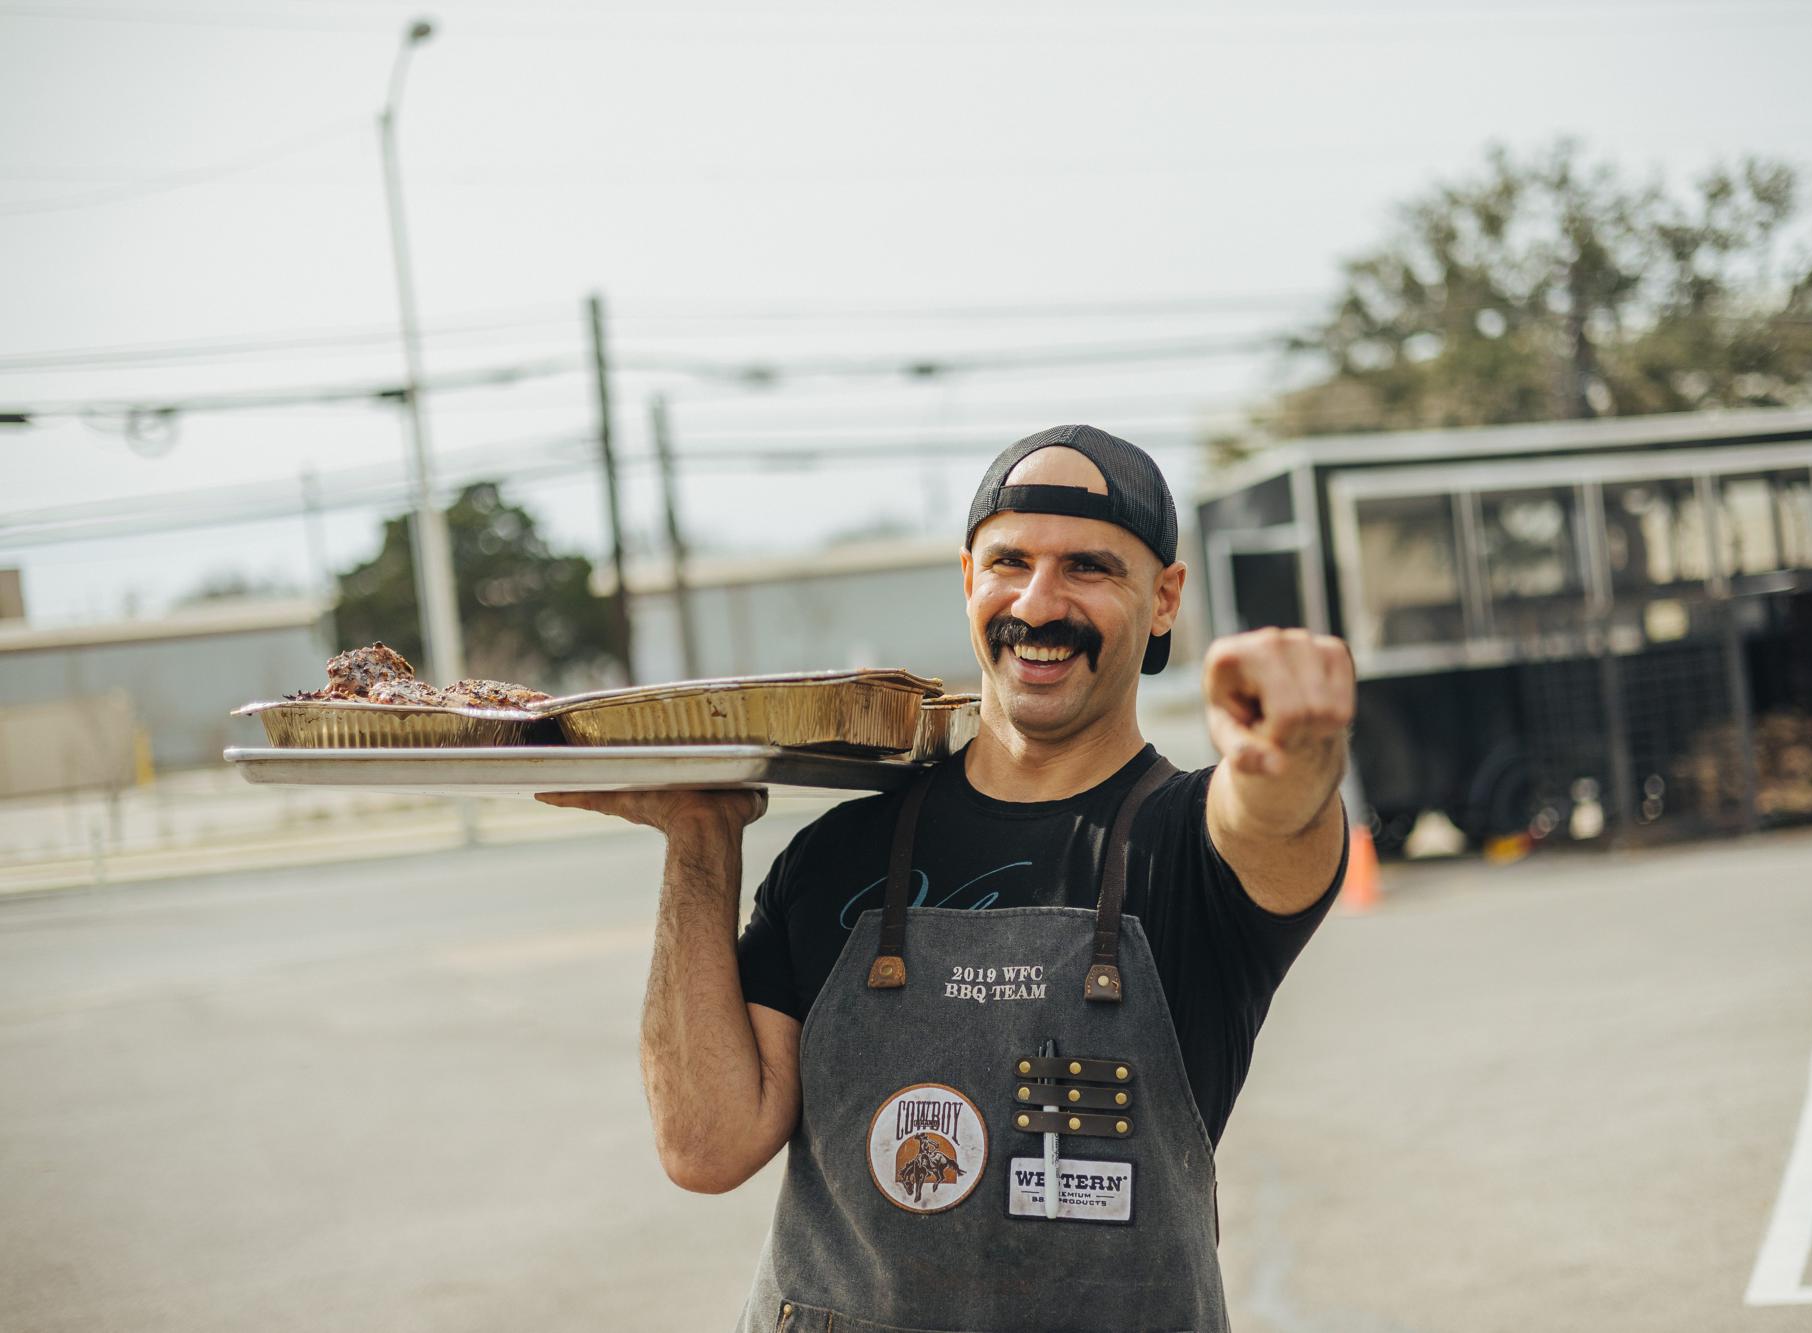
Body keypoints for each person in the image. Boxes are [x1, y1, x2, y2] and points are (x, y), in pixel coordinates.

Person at [539, 424, 1353, 1332]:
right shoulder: (842, 854)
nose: (1038, 605)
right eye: (1010, 561)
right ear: (969, 578)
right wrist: (699, 835)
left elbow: (1276, 815)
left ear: (1164, 599)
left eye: (1089, 566)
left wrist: (1294, 750)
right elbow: (706, 1145)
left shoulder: (1193, 850)